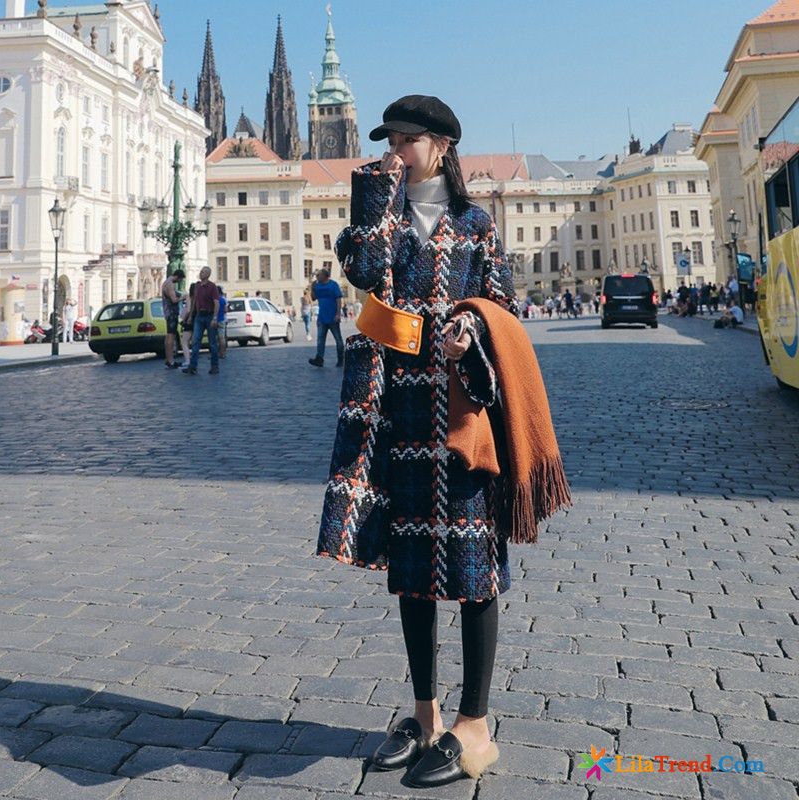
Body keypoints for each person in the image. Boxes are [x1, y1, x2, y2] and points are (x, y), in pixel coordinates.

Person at [315, 95, 570, 788]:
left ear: (444, 146)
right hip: (395, 418)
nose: (395, 148)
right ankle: (426, 716)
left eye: (407, 138)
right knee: (412, 573)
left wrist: (473, 330)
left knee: (474, 570)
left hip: (460, 421)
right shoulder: (382, 221)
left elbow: (504, 309)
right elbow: (365, 274)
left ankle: (476, 725)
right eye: (389, 139)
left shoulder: (475, 224)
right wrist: (373, 198)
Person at [183, 266, 220, 375]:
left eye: (203, 272)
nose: (201, 273)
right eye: (201, 271)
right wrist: (191, 316)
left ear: (208, 274)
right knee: (195, 341)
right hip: (199, 316)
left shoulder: (212, 286)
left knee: (212, 343)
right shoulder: (197, 286)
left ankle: (214, 366)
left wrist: (215, 317)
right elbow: (194, 301)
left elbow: (216, 303)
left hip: (209, 315)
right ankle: (193, 366)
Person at [308, 268, 344, 367]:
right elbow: (314, 298)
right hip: (322, 317)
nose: (317, 277)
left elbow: (338, 300)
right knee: (320, 339)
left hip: (333, 317)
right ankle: (319, 359)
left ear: (324, 276)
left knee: (338, 339)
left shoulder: (333, 285)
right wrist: (312, 288)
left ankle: (341, 358)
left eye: (319, 275)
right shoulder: (317, 285)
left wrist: (338, 314)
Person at [161, 269, 185, 368]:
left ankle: (168, 359)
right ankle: (170, 360)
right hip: (171, 313)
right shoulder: (170, 284)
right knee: (171, 336)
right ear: (177, 277)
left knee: (168, 336)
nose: (179, 282)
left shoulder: (165, 282)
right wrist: (183, 298)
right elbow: (174, 300)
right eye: (180, 280)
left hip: (167, 312)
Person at [179, 282, 196, 364]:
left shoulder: (189, 297)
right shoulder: (197, 298)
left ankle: (187, 360)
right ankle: (192, 359)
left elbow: (188, 310)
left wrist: (184, 318)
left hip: (189, 321)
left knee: (184, 342)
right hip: (195, 321)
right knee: (193, 341)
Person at [216, 285, 228, 359]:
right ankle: (222, 353)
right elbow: (226, 310)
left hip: (214, 321)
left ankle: (216, 354)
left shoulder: (214, 300)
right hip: (222, 319)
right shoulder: (223, 300)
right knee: (222, 338)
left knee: (214, 339)